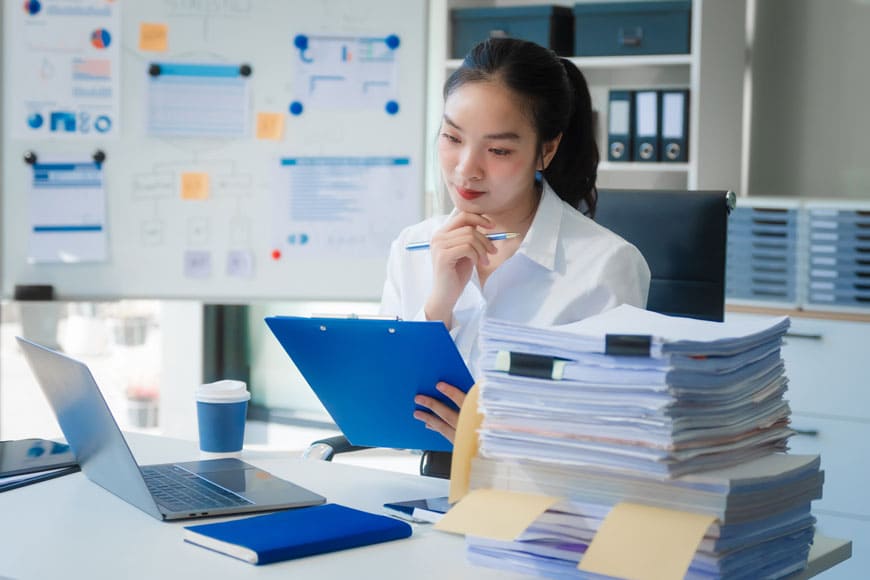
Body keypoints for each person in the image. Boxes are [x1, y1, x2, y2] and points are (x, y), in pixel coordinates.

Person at [379, 38, 651, 444]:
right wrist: (439, 304)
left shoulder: (605, 265)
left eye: (499, 150)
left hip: (539, 497)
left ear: (547, 149)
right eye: (453, 138)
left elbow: (614, 433)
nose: (467, 170)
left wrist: (496, 437)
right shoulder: (412, 246)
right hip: (411, 486)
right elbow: (383, 400)